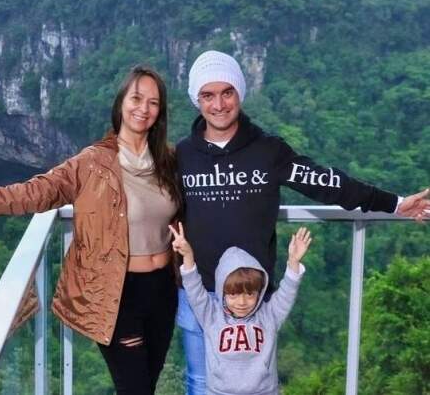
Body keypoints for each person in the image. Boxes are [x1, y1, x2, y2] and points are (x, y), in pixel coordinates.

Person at [175, 50, 430, 394]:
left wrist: (394, 204)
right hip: (199, 293)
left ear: (239, 94)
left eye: (227, 92)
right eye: (208, 95)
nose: (218, 104)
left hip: (252, 297)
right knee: (199, 383)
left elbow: (327, 183)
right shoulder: (181, 157)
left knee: (257, 384)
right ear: (196, 99)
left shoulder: (268, 151)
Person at [0, 65, 182, 395]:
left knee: (147, 384)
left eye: (153, 102)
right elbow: (35, 192)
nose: (143, 108)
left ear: (161, 110)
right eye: (136, 98)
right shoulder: (91, 163)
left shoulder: (169, 160)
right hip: (118, 294)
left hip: (164, 290)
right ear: (120, 103)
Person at [171, 223, 312, 395]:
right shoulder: (211, 314)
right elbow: (194, 289)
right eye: (233, 295)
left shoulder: (269, 315)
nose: (242, 302)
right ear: (222, 292)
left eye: (250, 294)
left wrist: (293, 262)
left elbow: (287, 292)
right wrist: (188, 256)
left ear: (259, 293)